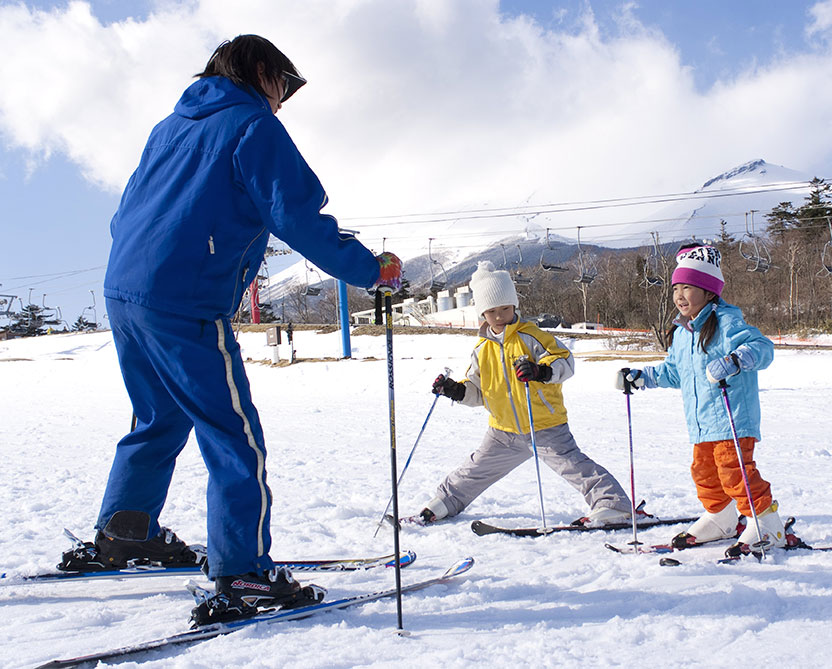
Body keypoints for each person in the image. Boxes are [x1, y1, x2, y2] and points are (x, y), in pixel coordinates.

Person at [58, 35, 402, 622]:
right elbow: (296, 215)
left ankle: (126, 531)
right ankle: (244, 575)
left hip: (125, 291)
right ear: (262, 72)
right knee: (232, 435)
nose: (284, 102)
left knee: (158, 417)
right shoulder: (252, 126)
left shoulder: (169, 127)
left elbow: (125, 212)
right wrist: (372, 269)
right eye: (285, 87)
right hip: (184, 298)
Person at [417, 261, 636, 526]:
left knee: (576, 467)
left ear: (514, 306)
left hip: (544, 424)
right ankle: (444, 503)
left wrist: (540, 371)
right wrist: (454, 390)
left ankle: (614, 505)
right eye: (492, 311)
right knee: (475, 470)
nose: (500, 316)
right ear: (482, 314)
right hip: (503, 431)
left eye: (505, 309)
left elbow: (564, 362)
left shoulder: (532, 337)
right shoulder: (481, 350)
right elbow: (478, 392)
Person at [615, 245, 783, 558]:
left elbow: (763, 348)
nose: (679, 295)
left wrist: (736, 359)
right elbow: (674, 372)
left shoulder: (727, 323)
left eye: (688, 288)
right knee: (704, 474)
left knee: (736, 474)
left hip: (732, 419)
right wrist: (642, 376)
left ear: (708, 292)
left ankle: (768, 525)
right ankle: (720, 519)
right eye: (676, 288)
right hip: (701, 422)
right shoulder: (682, 333)